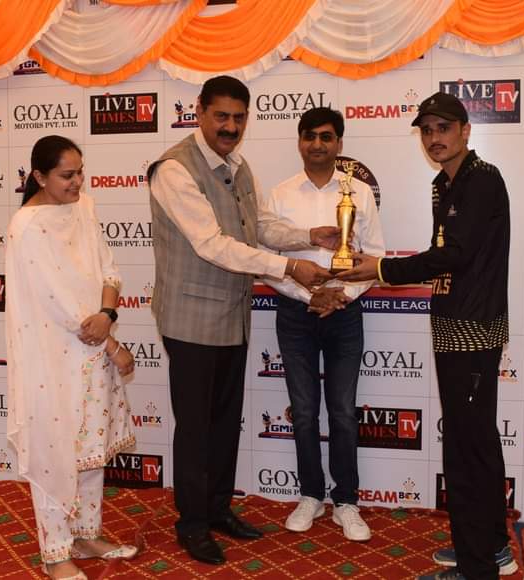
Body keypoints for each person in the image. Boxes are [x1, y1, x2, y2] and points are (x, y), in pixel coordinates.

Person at [147, 75, 339, 565]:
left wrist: (306, 235)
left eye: (238, 118)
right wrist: (289, 267)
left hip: (232, 317)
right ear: (199, 112)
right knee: (196, 427)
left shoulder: (238, 165)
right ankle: (192, 524)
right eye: (221, 116)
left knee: (224, 422)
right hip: (190, 319)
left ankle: (217, 510)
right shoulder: (174, 170)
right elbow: (212, 244)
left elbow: (257, 227)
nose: (230, 127)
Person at [337, 92, 517, 580]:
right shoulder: (445, 183)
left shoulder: (482, 179)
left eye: (444, 128)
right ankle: (490, 548)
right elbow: (447, 255)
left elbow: (455, 255)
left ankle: (477, 567)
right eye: (427, 130)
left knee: (467, 448)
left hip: (473, 330)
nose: (434, 138)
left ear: (465, 131)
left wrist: (381, 268)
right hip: (454, 323)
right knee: (474, 441)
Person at [6, 135, 137, 580]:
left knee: (90, 450)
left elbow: (109, 270)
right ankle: (55, 551)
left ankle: (86, 534)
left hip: (92, 350)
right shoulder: (26, 226)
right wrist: (111, 343)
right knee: (55, 451)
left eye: (81, 172)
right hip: (52, 359)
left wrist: (108, 314)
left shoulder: (84, 208)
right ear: (39, 176)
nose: (78, 181)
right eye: (67, 175)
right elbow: (60, 304)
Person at [262, 107, 385, 541]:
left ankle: (346, 501)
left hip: (345, 313)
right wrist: (310, 295)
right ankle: (311, 495)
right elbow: (268, 262)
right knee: (304, 412)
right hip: (295, 314)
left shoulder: (360, 194)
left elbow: (374, 258)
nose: (317, 144)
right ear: (299, 141)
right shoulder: (279, 195)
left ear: (339, 144)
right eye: (310, 136)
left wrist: (340, 295)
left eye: (326, 137)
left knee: (344, 412)